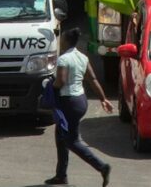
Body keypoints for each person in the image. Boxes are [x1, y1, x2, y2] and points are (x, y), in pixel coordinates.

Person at [47, 27, 113, 186]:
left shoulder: (64, 59)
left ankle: (102, 167)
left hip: (68, 103)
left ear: (66, 41)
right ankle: (61, 175)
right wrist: (103, 98)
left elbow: (61, 81)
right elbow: (93, 79)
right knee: (60, 136)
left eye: (61, 38)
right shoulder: (82, 57)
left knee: (71, 141)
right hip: (81, 101)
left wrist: (50, 87)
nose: (60, 40)